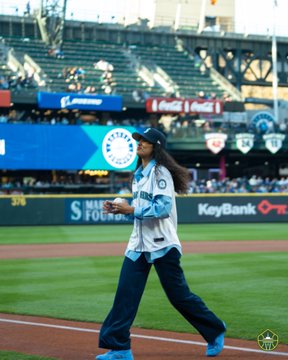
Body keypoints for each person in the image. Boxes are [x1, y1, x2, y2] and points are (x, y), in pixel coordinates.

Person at [97, 128, 226, 360]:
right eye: (138, 140)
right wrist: (121, 209)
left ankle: (215, 330)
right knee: (125, 295)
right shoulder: (138, 174)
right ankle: (120, 348)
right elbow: (140, 212)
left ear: (155, 146)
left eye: (144, 140)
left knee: (179, 296)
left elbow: (162, 209)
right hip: (138, 245)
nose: (139, 143)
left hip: (163, 244)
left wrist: (132, 209)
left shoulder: (160, 172)